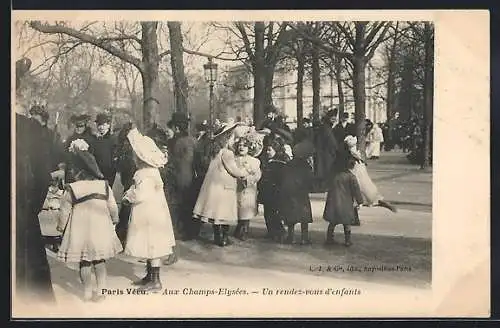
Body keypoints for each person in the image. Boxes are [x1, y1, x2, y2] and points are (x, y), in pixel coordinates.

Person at [55, 142, 122, 302]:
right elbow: (112, 206)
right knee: (99, 261)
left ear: (78, 172)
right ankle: (101, 291)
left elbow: (65, 210)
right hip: (100, 228)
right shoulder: (104, 186)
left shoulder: (72, 188)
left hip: (80, 230)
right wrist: (115, 219)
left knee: (84, 262)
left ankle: (86, 292)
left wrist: (61, 227)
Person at [122, 128, 176, 292]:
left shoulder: (144, 174)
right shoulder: (151, 172)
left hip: (149, 214)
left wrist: (128, 196)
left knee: (152, 245)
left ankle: (156, 280)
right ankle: (149, 276)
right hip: (154, 212)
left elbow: (141, 194)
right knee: (149, 244)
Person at [192, 123, 251, 246]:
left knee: (216, 215)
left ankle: (218, 237)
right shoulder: (227, 153)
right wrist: (245, 171)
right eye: (232, 138)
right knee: (224, 214)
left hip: (215, 187)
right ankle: (223, 238)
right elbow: (233, 170)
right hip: (224, 187)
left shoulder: (216, 151)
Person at [344, 136, 397, 212]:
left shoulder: (352, 153)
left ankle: (365, 203)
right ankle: (374, 200)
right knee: (364, 184)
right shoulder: (355, 153)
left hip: (356, 168)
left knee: (359, 185)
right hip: (359, 167)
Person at [168, 112, 199, 241]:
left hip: (178, 177)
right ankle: (191, 231)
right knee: (189, 204)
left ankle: (180, 231)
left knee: (177, 205)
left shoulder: (176, 142)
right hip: (192, 176)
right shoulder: (193, 140)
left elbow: (172, 161)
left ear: (176, 128)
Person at [322, 157, 364, 247]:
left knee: (332, 222)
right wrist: (360, 201)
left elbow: (327, 185)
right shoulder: (351, 177)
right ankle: (347, 240)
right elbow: (356, 190)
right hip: (346, 202)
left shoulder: (334, 176)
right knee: (347, 223)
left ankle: (329, 238)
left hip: (333, 201)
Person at [280, 140, 315, 245]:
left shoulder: (289, 164)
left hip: (290, 192)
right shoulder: (306, 166)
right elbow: (310, 180)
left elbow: (284, 178)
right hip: (302, 193)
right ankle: (304, 238)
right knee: (304, 217)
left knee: (291, 217)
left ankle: (291, 237)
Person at [257, 138, 290, 242]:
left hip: (276, 191)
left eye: (269, 150)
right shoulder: (267, 161)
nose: (267, 152)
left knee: (275, 213)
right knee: (268, 212)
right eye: (266, 150)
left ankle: (278, 231)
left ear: (276, 150)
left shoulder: (280, 162)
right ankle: (271, 231)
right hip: (267, 190)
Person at [233, 133, 262, 241]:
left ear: (249, 148)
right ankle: (239, 226)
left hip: (248, 189)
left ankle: (244, 229)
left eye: (244, 146)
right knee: (238, 208)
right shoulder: (234, 159)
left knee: (246, 209)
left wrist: (248, 180)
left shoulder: (254, 161)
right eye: (239, 145)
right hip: (237, 187)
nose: (241, 147)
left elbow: (257, 175)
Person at [313, 108, 340, 192]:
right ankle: (322, 187)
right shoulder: (325, 128)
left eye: (335, 118)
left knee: (325, 170)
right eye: (332, 118)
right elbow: (331, 142)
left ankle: (323, 186)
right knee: (325, 170)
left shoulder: (327, 127)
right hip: (325, 154)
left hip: (326, 153)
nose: (334, 120)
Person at [92, 113, 118, 186]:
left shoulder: (113, 139)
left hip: (109, 173)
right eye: (99, 125)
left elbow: (115, 157)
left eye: (103, 125)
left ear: (108, 125)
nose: (101, 127)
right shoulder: (95, 140)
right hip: (96, 174)